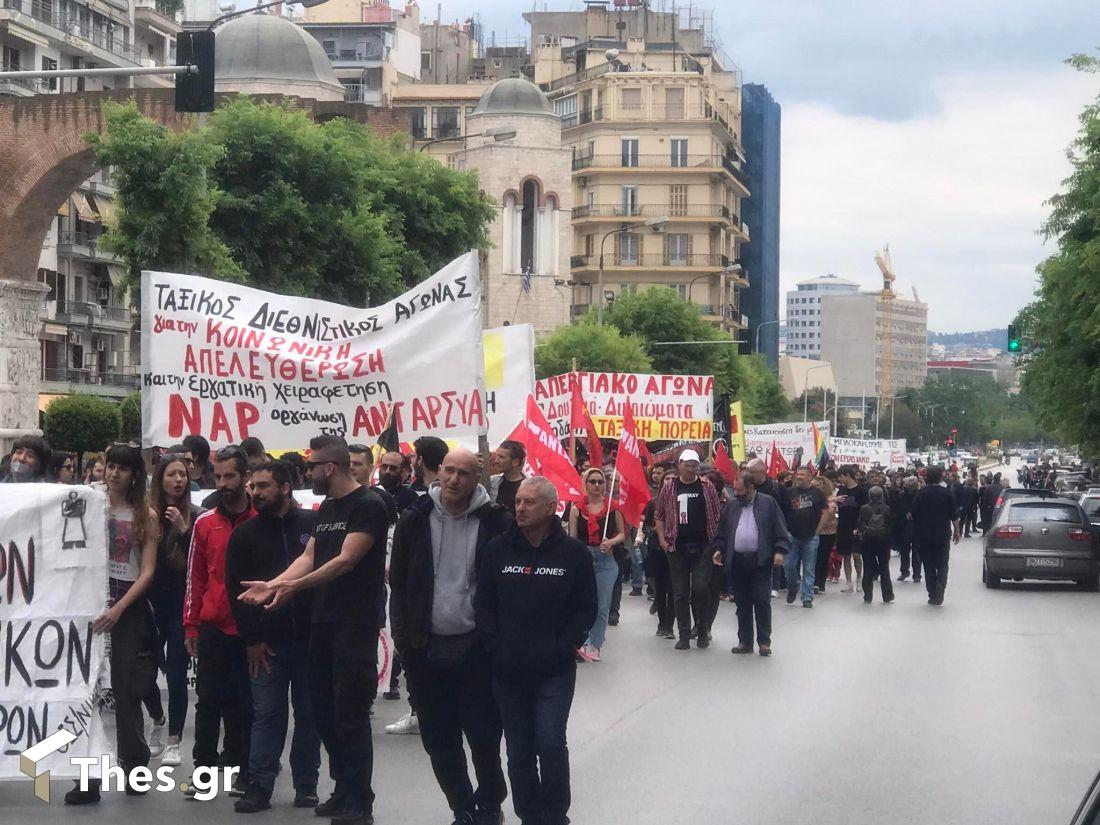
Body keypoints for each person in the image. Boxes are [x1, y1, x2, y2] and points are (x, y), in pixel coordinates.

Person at [239, 436, 389, 825]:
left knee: (351, 712)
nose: (308, 472)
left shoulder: (369, 505)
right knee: (324, 710)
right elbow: (310, 556)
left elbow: (345, 561)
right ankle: (342, 789)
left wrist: (293, 588)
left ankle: (361, 800)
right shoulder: (328, 507)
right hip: (323, 620)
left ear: (331, 468)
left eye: (313, 466)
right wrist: (274, 585)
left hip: (355, 622)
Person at [390, 448, 513, 825]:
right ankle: (462, 807)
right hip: (425, 648)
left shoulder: (496, 522)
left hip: (476, 648)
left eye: (463, 473)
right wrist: (404, 641)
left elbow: (504, 587)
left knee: (483, 737)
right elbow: (399, 582)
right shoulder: (415, 519)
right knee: (439, 740)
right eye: (449, 471)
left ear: (478, 478)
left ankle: (490, 801)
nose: (454, 479)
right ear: (438, 472)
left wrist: (495, 642)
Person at [475, 477, 596, 825]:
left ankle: (555, 814)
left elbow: (585, 608)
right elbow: (484, 603)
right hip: (507, 669)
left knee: (550, 742)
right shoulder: (497, 550)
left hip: (553, 671)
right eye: (518, 503)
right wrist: (494, 645)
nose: (521, 508)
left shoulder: (572, 554)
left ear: (550, 507)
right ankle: (529, 814)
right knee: (519, 748)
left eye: (529, 502)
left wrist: (564, 646)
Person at [65, 444, 159, 804]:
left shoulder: (144, 515)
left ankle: (134, 765)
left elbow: (147, 571)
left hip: (127, 608)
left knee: (124, 690)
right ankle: (87, 776)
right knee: (84, 692)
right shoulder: (88, 505)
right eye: (110, 466)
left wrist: (118, 608)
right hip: (87, 605)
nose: (114, 473)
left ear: (135, 473)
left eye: (122, 467)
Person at [226, 461, 321, 813]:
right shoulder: (244, 535)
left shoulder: (312, 527)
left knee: (310, 714)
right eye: (253, 486)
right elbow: (236, 592)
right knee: (266, 715)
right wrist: (251, 639)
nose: (256, 492)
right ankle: (260, 785)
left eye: (264, 486)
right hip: (266, 644)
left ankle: (307, 785)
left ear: (285, 488)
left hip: (310, 640)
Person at [183, 445, 257, 796]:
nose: (224, 483)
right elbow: (195, 577)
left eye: (231, 476)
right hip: (212, 626)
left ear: (245, 477)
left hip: (251, 627)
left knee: (246, 701)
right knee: (208, 699)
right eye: (219, 476)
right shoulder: (204, 523)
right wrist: (191, 624)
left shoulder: (262, 519)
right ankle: (204, 771)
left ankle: (242, 769)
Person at [145, 451, 204, 768]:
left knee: (178, 674)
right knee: (144, 673)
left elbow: (200, 561)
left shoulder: (198, 515)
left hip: (183, 603)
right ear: (160, 479)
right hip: (150, 602)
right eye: (172, 474)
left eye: (183, 474)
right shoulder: (145, 512)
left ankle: (173, 740)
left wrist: (183, 530)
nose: (178, 480)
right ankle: (156, 717)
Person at [711, 472, 790, 657]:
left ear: (751, 488)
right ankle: (745, 641)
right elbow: (722, 533)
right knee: (742, 603)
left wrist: (779, 551)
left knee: (762, 601)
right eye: (735, 489)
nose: (736, 493)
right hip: (737, 561)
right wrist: (719, 549)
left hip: (760, 560)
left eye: (740, 490)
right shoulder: (731, 507)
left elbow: (780, 528)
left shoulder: (768, 503)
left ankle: (764, 642)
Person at [653, 449, 723, 650]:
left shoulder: (706, 486)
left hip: (703, 546)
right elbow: (660, 515)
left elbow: (716, 514)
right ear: (679, 465)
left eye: (694, 466)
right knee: (680, 592)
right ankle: (683, 634)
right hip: (677, 546)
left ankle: (702, 630)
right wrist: (663, 540)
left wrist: (715, 542)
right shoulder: (669, 487)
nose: (691, 469)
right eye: (687, 465)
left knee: (700, 588)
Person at [567, 467, 626, 662]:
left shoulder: (612, 508)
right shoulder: (576, 509)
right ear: (585, 484)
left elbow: (622, 533)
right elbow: (573, 539)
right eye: (592, 481)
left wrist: (611, 542)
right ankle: (581, 641)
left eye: (601, 482)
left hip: (605, 562)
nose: (597, 485)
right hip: (584, 560)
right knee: (581, 603)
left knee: (602, 606)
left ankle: (595, 644)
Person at [910, 464, 961, 606]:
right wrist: (957, 531)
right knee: (943, 563)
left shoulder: (921, 493)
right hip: (942, 534)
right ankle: (941, 586)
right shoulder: (946, 493)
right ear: (940, 476)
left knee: (928, 565)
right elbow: (954, 515)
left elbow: (913, 513)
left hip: (924, 535)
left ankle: (932, 593)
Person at [780, 466, 828, 608]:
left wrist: (818, 530)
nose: (799, 476)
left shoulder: (818, 493)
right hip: (792, 536)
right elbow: (781, 512)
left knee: (808, 568)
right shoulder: (789, 492)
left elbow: (825, 511)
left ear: (809, 477)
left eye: (802, 474)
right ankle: (793, 586)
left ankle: (807, 597)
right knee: (788, 565)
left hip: (811, 537)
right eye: (798, 474)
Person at [642, 463, 674, 638]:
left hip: (676, 550)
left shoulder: (679, 502)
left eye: (672, 479)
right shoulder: (653, 503)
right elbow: (645, 525)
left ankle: (670, 624)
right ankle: (663, 623)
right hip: (657, 550)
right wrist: (653, 531)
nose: (669, 482)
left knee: (674, 588)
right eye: (666, 479)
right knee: (660, 589)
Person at [858, 486, 895, 604]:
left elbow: (860, 524)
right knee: (884, 568)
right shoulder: (887, 508)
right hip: (883, 541)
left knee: (868, 568)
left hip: (868, 541)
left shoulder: (864, 509)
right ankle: (887, 595)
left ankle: (868, 595)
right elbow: (890, 524)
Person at [835, 465, 867, 593]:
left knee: (856, 555)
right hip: (843, 526)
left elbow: (865, 511)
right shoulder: (840, 491)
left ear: (848, 475)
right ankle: (848, 582)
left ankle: (859, 579)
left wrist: (860, 526)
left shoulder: (861, 491)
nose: (839, 479)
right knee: (846, 555)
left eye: (841, 476)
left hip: (856, 527)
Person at [811, 475, 838, 592]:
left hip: (827, 533)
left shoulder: (831, 500)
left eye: (818, 485)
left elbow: (829, 514)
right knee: (812, 558)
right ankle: (812, 581)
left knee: (823, 558)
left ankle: (819, 583)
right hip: (812, 532)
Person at [489, 440, 527, 514]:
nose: (496, 460)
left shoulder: (529, 487)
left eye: (501, 457)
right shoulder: (492, 481)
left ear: (515, 462)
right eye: (497, 456)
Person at [896, 476, 922, 583]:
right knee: (910, 551)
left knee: (909, 552)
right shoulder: (906, 495)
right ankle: (913, 573)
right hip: (908, 525)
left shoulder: (917, 495)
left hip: (912, 525)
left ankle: (909, 572)